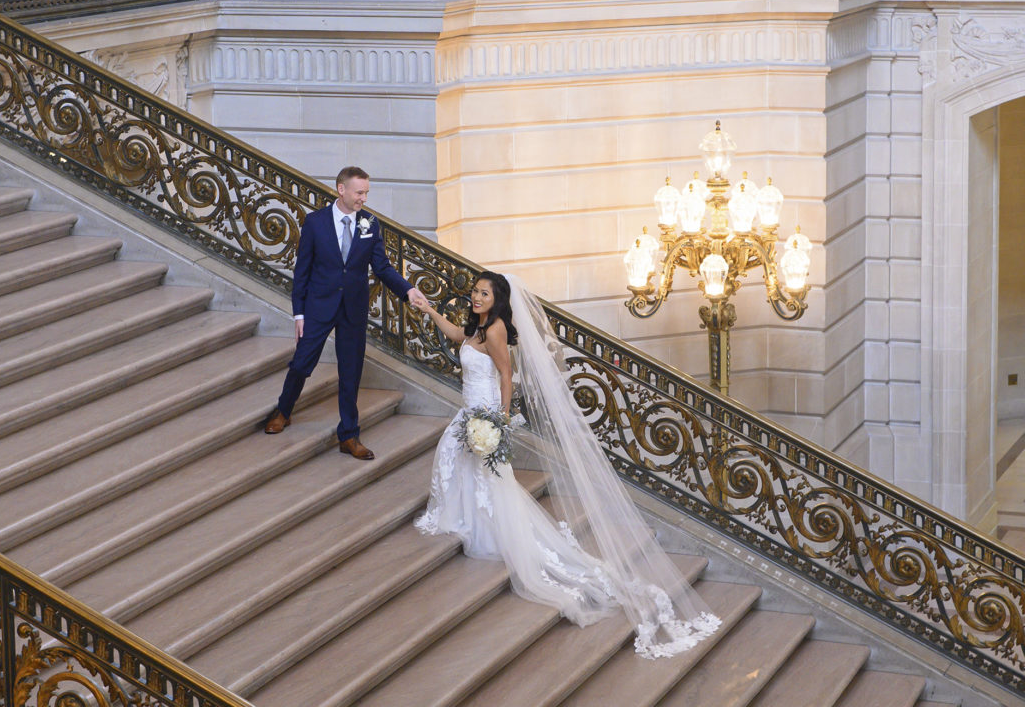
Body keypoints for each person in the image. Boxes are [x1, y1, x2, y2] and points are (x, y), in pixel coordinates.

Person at [412, 271, 720, 657]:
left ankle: (490, 529)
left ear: (498, 299)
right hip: (470, 410)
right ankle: (466, 517)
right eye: (474, 291)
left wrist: (500, 422)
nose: (476, 297)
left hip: (485, 411)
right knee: (460, 462)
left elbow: (507, 376)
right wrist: (428, 311)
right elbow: (458, 337)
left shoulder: (495, 332)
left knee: (489, 475)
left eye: (484, 293)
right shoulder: (478, 327)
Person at [265, 166, 424, 460]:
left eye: (366, 193)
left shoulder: (370, 224)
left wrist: (408, 289)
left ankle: (349, 435)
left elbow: (383, 267)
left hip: (353, 308)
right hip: (318, 306)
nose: (364, 198)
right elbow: (302, 273)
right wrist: (299, 314)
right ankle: (284, 410)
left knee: (350, 372)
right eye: (359, 192)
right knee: (301, 363)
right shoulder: (315, 223)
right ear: (341, 189)